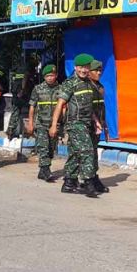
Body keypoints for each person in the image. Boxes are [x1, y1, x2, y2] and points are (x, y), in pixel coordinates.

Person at [52, 53, 104, 196]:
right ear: (75, 67)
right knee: (87, 150)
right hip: (74, 123)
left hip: (87, 123)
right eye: (80, 67)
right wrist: (53, 125)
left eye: (86, 67)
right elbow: (60, 104)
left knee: (76, 153)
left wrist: (96, 121)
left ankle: (69, 183)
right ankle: (88, 183)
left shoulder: (88, 84)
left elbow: (89, 106)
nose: (83, 70)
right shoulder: (70, 83)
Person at [27, 64, 61, 182]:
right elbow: (32, 107)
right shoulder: (38, 89)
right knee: (43, 147)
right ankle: (46, 171)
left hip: (55, 124)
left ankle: (42, 171)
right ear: (44, 77)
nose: (50, 78)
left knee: (51, 148)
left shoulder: (61, 89)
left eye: (52, 75)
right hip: (41, 123)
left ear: (56, 75)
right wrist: (30, 123)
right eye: (47, 76)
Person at [87, 59, 109, 192]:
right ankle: (85, 179)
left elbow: (102, 107)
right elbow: (86, 107)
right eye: (96, 70)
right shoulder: (86, 86)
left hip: (97, 125)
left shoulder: (100, 87)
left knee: (93, 151)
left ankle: (93, 177)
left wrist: (104, 124)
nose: (99, 73)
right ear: (89, 72)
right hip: (87, 123)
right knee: (88, 152)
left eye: (100, 70)